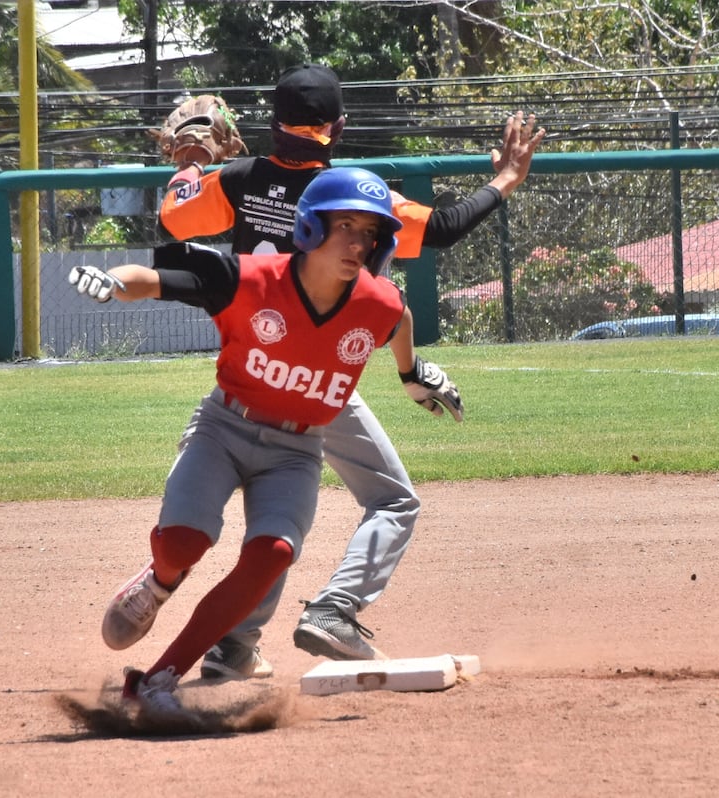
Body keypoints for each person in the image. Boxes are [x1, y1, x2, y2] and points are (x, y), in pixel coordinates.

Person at [156, 63, 545, 677]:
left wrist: (189, 158)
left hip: (251, 363)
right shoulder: (347, 196)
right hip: (318, 378)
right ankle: (332, 611)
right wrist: (504, 179)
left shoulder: (236, 180)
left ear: (272, 124)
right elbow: (442, 228)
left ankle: (234, 645)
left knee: (273, 526)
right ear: (338, 127)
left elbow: (175, 218)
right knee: (393, 501)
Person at [68, 166, 443, 720]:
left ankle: (157, 680)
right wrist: (114, 283)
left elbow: (400, 318)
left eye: (369, 233)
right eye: (345, 226)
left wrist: (411, 376)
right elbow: (159, 278)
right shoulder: (247, 278)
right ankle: (160, 580)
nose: (358, 243)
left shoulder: (377, 302)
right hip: (225, 428)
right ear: (311, 228)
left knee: (273, 554)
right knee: (182, 543)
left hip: (296, 451)